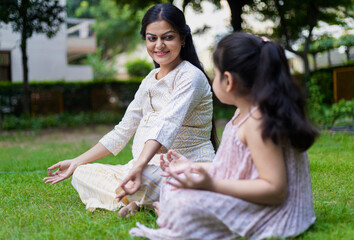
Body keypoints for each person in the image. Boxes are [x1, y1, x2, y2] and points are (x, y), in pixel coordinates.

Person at [130, 32, 318, 239]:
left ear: (228, 81)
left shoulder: (258, 122)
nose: (212, 79)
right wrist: (190, 166)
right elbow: (234, 167)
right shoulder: (243, 113)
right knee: (173, 183)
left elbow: (274, 190)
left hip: (277, 214)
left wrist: (211, 185)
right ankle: (173, 214)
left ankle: (173, 217)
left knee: (183, 205)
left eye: (215, 74)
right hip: (253, 197)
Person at [43, 3, 218, 217]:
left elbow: (166, 125)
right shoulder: (149, 81)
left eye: (168, 37)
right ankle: (145, 198)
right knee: (82, 173)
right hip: (145, 168)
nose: (159, 45)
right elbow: (122, 130)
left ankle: (144, 198)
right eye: (152, 38)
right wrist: (76, 161)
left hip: (188, 168)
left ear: (183, 38)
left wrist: (138, 167)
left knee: (144, 177)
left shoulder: (190, 77)